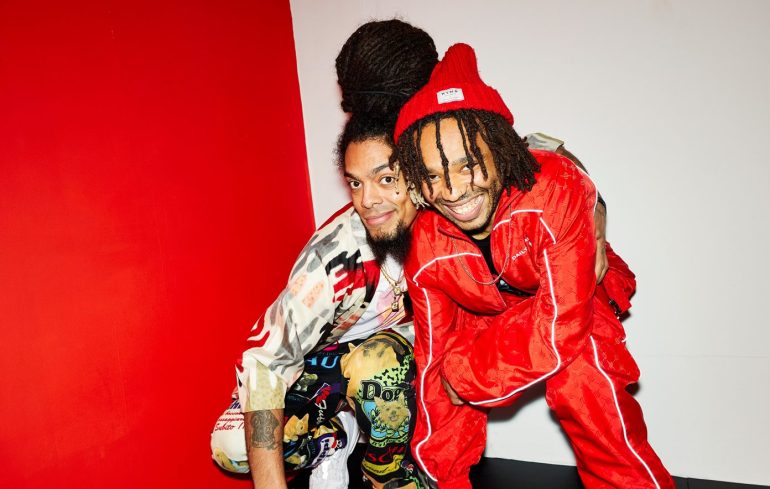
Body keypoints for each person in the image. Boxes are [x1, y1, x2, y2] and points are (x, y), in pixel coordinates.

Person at [393, 43, 674, 489]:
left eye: (468, 166)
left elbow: (563, 326)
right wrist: (439, 473)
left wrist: (466, 375)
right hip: (489, 313)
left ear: (500, 149)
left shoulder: (556, 188)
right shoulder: (426, 243)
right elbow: (433, 361)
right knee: (441, 383)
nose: (453, 191)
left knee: (585, 380)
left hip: (567, 301)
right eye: (433, 175)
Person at [210, 19, 437, 489]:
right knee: (231, 447)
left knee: (378, 365)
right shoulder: (337, 257)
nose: (368, 200)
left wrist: (590, 209)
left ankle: (389, 474)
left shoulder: (451, 203)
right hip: (329, 363)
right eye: (355, 182)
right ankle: (339, 437)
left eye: (387, 179)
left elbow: (524, 158)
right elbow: (265, 363)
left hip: (403, 355)